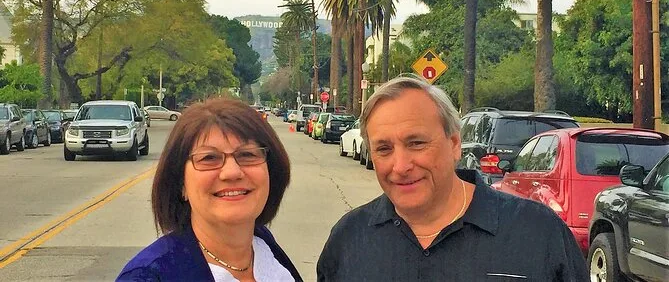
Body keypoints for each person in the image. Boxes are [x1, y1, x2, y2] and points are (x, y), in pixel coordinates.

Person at [317, 75, 588, 281]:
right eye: (384, 149)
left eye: (416, 143)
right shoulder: (348, 240)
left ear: (454, 144)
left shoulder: (538, 234)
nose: (400, 166)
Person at [117, 98, 301, 282]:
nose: (232, 172)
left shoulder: (264, 247)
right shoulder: (147, 276)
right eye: (209, 158)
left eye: (247, 154)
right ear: (181, 183)